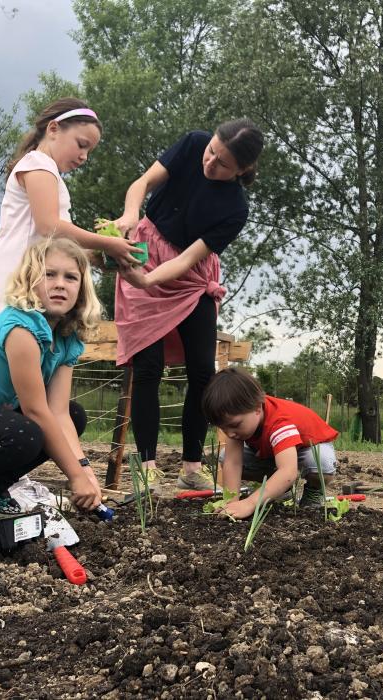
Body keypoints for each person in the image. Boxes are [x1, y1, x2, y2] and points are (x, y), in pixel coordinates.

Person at [110, 120, 264, 490]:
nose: (209, 163)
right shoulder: (193, 143)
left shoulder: (235, 209)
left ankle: (191, 468)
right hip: (146, 252)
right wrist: (131, 216)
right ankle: (146, 468)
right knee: (148, 368)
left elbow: (187, 260)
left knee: (201, 372)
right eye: (211, 151)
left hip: (189, 276)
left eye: (223, 163)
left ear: (242, 170)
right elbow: (142, 184)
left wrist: (148, 281)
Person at [0, 97, 139, 311]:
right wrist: (107, 243)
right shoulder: (39, 163)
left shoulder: (46, 170)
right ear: (53, 129)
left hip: (32, 284)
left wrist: (96, 256)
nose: (84, 157)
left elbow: (52, 241)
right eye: (82, 145)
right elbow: (49, 227)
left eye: (89, 151)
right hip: (18, 284)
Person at [0, 238, 103, 514]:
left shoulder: (66, 337)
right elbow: (35, 410)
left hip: (2, 413)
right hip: (7, 417)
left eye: (70, 277)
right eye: (49, 274)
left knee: (74, 413)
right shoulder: (20, 326)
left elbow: (57, 412)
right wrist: (75, 478)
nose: (60, 284)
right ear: (30, 279)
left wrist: (84, 470)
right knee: (27, 433)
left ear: (81, 289)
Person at [201, 367, 339, 519]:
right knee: (224, 457)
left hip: (307, 448)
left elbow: (288, 470)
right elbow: (233, 463)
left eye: (235, 425)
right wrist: (231, 503)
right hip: (275, 452)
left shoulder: (279, 422)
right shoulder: (236, 424)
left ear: (257, 409)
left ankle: (314, 491)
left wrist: (250, 503)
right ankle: (282, 488)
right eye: (223, 428)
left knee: (322, 462)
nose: (229, 433)